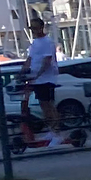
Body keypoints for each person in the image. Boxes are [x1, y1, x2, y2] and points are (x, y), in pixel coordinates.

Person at [20, 14, 63, 149]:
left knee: (50, 105)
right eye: (32, 29)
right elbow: (30, 59)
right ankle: (51, 130)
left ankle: (57, 133)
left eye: (35, 28)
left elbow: (47, 60)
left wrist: (38, 74)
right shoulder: (34, 43)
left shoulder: (47, 42)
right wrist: (22, 72)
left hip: (47, 79)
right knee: (43, 106)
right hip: (37, 80)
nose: (33, 31)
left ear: (41, 28)